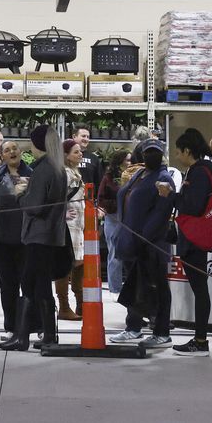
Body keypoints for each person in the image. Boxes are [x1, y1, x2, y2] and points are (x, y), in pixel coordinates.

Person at [111, 139, 175, 348]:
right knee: (134, 286)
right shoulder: (139, 173)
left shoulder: (164, 178)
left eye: (155, 153)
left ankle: (161, 331)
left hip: (151, 245)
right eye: (147, 152)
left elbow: (161, 213)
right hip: (131, 242)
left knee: (158, 287)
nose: (150, 156)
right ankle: (133, 327)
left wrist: (142, 238)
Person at [15, 126, 70, 351]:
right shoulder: (58, 169)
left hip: (38, 235)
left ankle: (21, 337)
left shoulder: (42, 170)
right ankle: (48, 335)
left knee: (28, 283)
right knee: (42, 286)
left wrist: (20, 196)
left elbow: (35, 206)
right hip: (52, 235)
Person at [0, 140, 33, 349]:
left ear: (21, 153)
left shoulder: (31, 173)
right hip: (1, 239)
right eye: (6, 150)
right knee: (7, 285)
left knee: (28, 284)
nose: (12, 152)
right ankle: (11, 328)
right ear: (1, 156)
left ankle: (31, 327)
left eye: (15, 149)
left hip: (25, 238)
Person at [172, 127, 212, 355]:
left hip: (195, 240)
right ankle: (200, 339)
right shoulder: (204, 170)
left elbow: (192, 206)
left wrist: (170, 196)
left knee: (200, 290)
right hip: (196, 238)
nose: (178, 157)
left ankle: (200, 341)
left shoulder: (199, 173)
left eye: (179, 152)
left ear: (188, 150)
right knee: (200, 289)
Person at [56, 138, 88, 321]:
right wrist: (62, 214)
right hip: (68, 227)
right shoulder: (65, 174)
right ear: (66, 156)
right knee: (66, 267)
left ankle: (81, 304)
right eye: (76, 152)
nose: (80, 154)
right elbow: (55, 198)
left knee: (78, 264)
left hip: (78, 227)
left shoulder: (76, 172)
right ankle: (64, 306)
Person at [96, 146, 132, 296]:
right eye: (128, 160)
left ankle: (129, 286)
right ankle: (115, 288)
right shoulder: (108, 178)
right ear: (120, 162)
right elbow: (101, 199)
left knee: (129, 253)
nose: (130, 163)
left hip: (129, 216)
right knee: (114, 254)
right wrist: (115, 206)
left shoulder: (133, 176)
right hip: (114, 217)